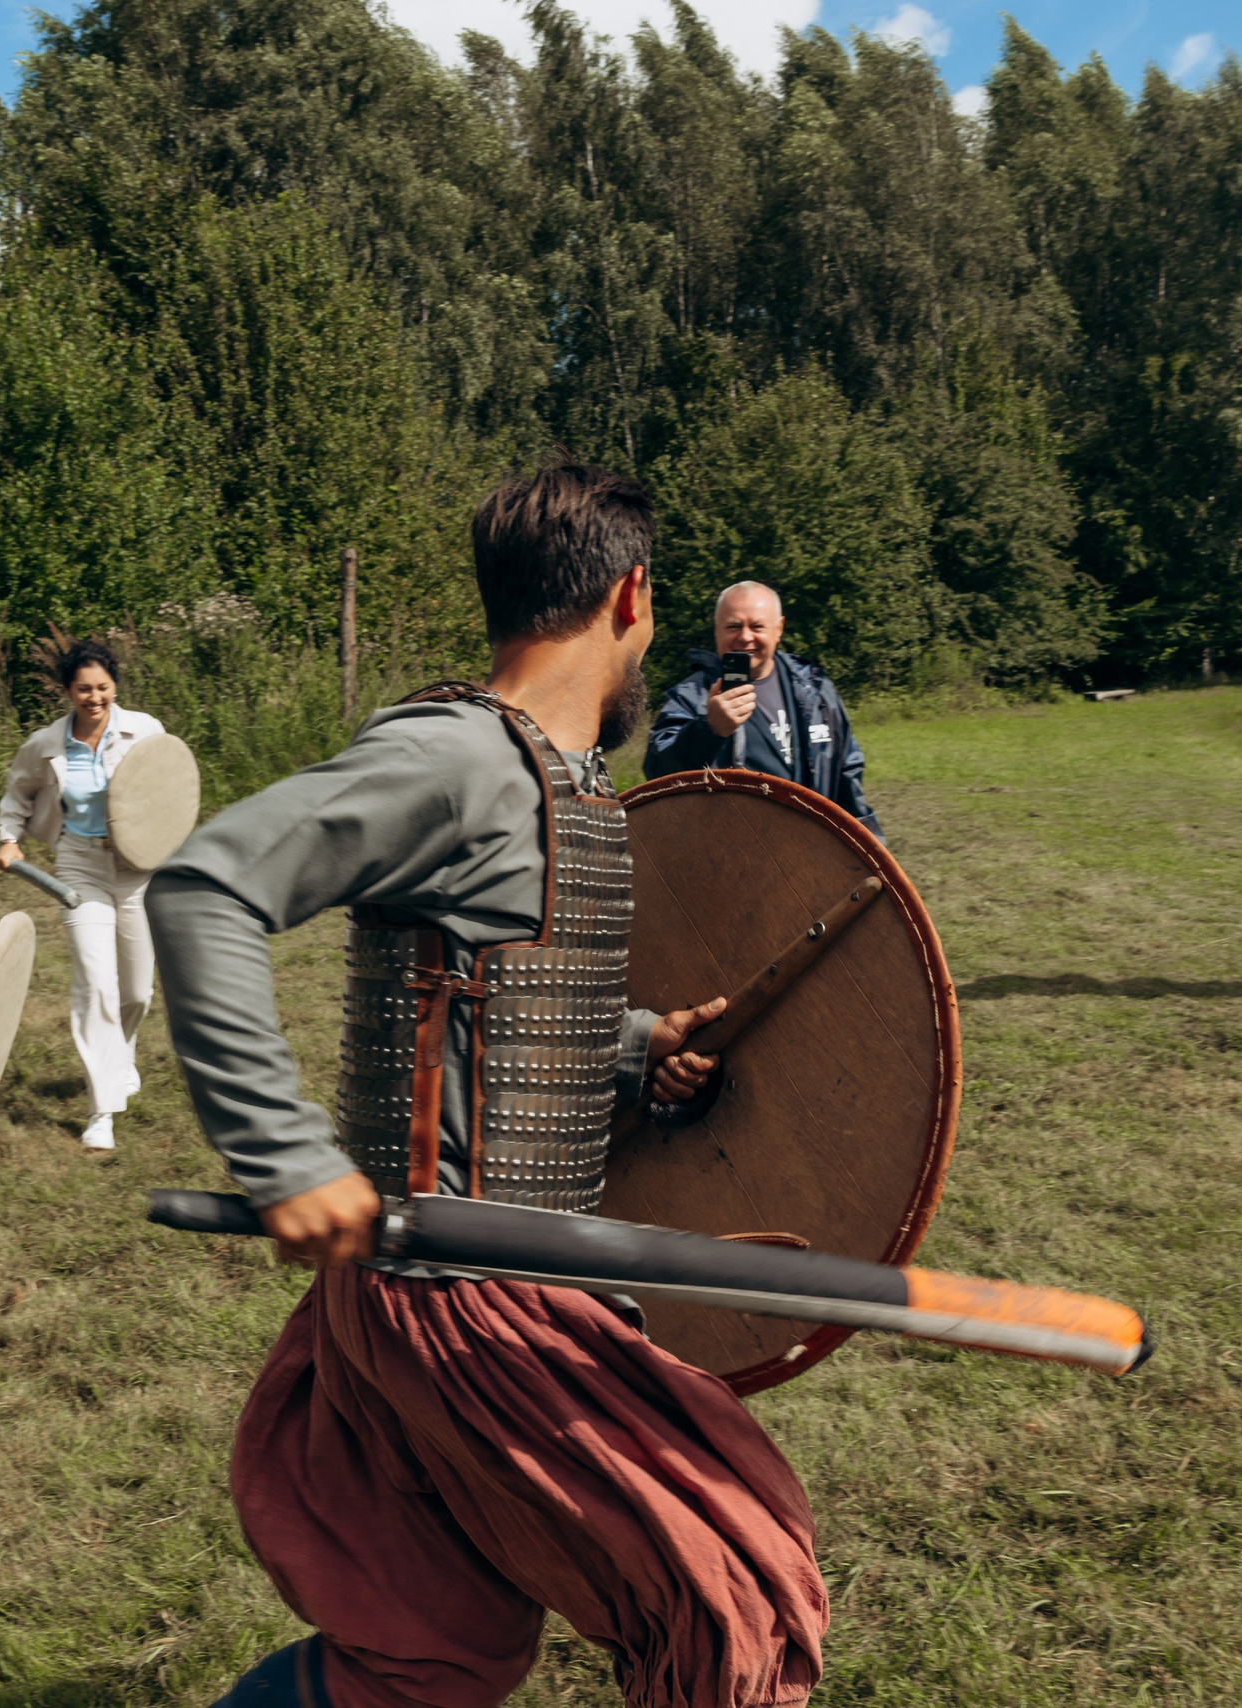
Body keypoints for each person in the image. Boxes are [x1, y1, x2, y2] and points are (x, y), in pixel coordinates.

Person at [149, 465, 827, 1708]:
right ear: (631, 595)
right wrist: (282, 1153)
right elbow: (207, 887)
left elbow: (486, 998)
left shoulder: (564, 778)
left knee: (432, 1653)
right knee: (738, 1611)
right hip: (462, 1300)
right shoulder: (459, 756)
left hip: (486, 1274)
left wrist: (633, 1046)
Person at [0, 638, 166, 1150]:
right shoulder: (46, 744)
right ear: (68, 691)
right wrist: (9, 838)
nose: (95, 698)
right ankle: (101, 1110)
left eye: (103, 687)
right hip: (79, 865)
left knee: (137, 992)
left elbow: (169, 788)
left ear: (115, 686)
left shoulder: (145, 731)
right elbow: (17, 794)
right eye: (84, 689)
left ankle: (122, 1051)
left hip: (135, 867)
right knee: (95, 984)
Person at [643, 581, 882, 838]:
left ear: (778, 628)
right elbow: (657, 772)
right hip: (732, 851)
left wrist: (870, 847)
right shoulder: (692, 697)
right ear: (717, 630)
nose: (745, 637)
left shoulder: (815, 690)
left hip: (812, 847)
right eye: (733, 626)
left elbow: (847, 772)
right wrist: (708, 729)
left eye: (757, 626)